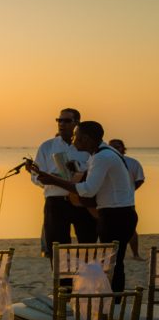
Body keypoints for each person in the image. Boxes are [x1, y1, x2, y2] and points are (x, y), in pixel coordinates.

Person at [30, 121, 137, 292]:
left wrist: (52, 180)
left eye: (76, 137)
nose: (72, 140)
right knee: (112, 263)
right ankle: (112, 304)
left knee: (113, 264)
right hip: (114, 213)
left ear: (86, 139)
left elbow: (87, 190)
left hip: (117, 215)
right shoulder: (101, 155)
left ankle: (114, 306)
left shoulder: (103, 157)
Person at [30, 108, 96, 258]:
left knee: (88, 245)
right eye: (59, 120)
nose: (62, 124)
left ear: (77, 123)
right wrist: (44, 180)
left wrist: (78, 172)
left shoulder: (87, 145)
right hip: (56, 202)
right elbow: (35, 175)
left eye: (66, 121)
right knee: (57, 248)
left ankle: (87, 279)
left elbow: (96, 171)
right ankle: (62, 282)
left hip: (82, 200)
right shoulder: (47, 146)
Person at [109, 138, 145, 260]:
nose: (114, 149)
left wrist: (131, 189)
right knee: (109, 230)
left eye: (117, 147)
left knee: (131, 229)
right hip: (108, 202)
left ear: (123, 149)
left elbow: (140, 178)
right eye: (111, 147)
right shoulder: (105, 162)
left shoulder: (132, 163)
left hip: (127, 202)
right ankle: (111, 256)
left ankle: (135, 254)